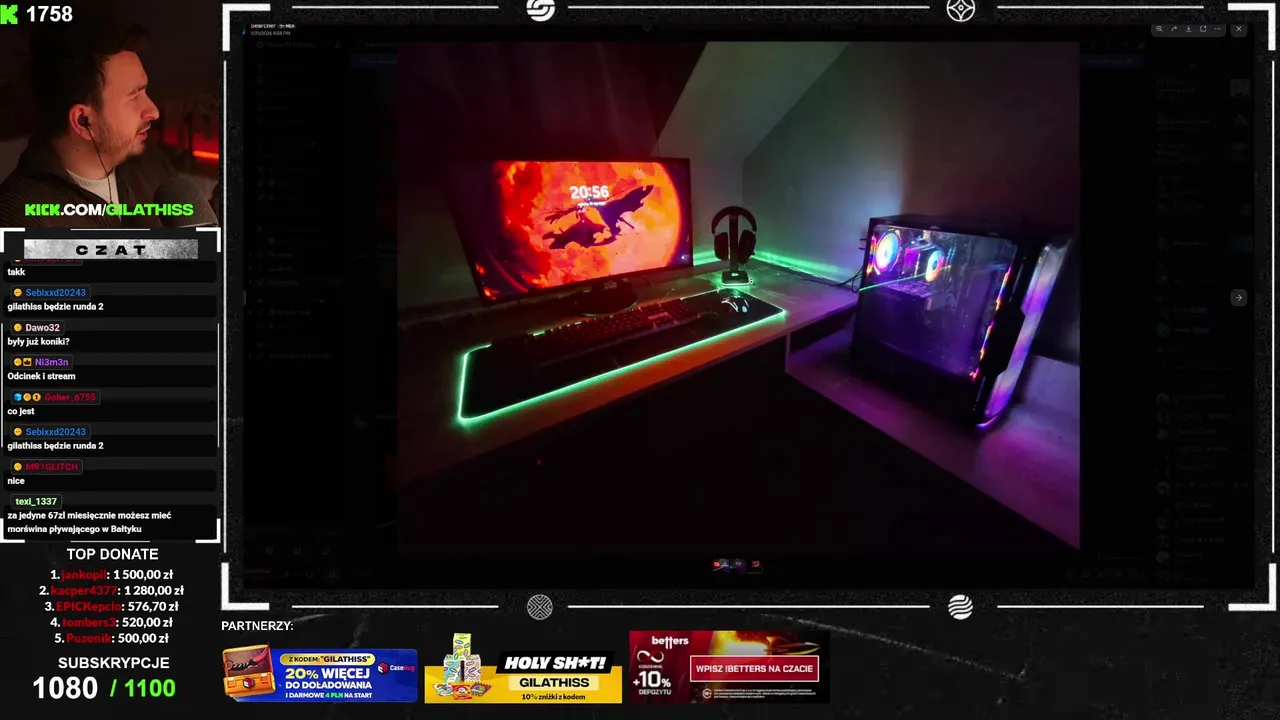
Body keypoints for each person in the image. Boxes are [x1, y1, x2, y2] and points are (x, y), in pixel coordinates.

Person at [0, 13, 174, 228]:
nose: (154, 111)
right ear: (83, 120)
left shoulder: (152, 165)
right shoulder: (19, 220)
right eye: (134, 96)